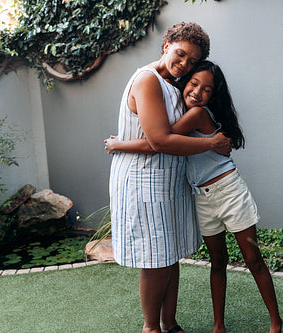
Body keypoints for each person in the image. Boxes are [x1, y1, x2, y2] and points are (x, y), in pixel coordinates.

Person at [106, 60, 283, 333]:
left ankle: (275, 322)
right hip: (202, 196)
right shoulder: (177, 107)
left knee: (253, 259)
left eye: (207, 89)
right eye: (194, 83)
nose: (198, 92)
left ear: (213, 96)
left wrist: (119, 144)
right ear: (184, 82)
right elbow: (163, 138)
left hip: (228, 190)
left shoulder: (198, 115)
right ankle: (218, 326)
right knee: (217, 263)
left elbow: (159, 142)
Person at [108, 22, 231, 333]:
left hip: (169, 181)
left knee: (170, 253)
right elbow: (160, 141)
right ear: (166, 45)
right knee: (155, 259)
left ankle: (170, 323)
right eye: (180, 54)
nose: (185, 64)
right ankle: (151, 328)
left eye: (192, 60)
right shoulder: (147, 80)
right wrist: (210, 143)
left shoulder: (175, 82)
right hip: (143, 181)